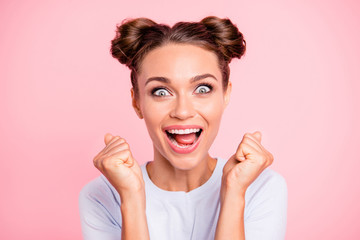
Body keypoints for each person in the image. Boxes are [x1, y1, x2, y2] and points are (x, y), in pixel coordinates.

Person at [79, 16, 287, 240]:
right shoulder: (102, 195)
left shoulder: (260, 187)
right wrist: (131, 199)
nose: (183, 111)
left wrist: (235, 195)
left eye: (203, 88)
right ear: (137, 102)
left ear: (225, 94)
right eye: (161, 92)